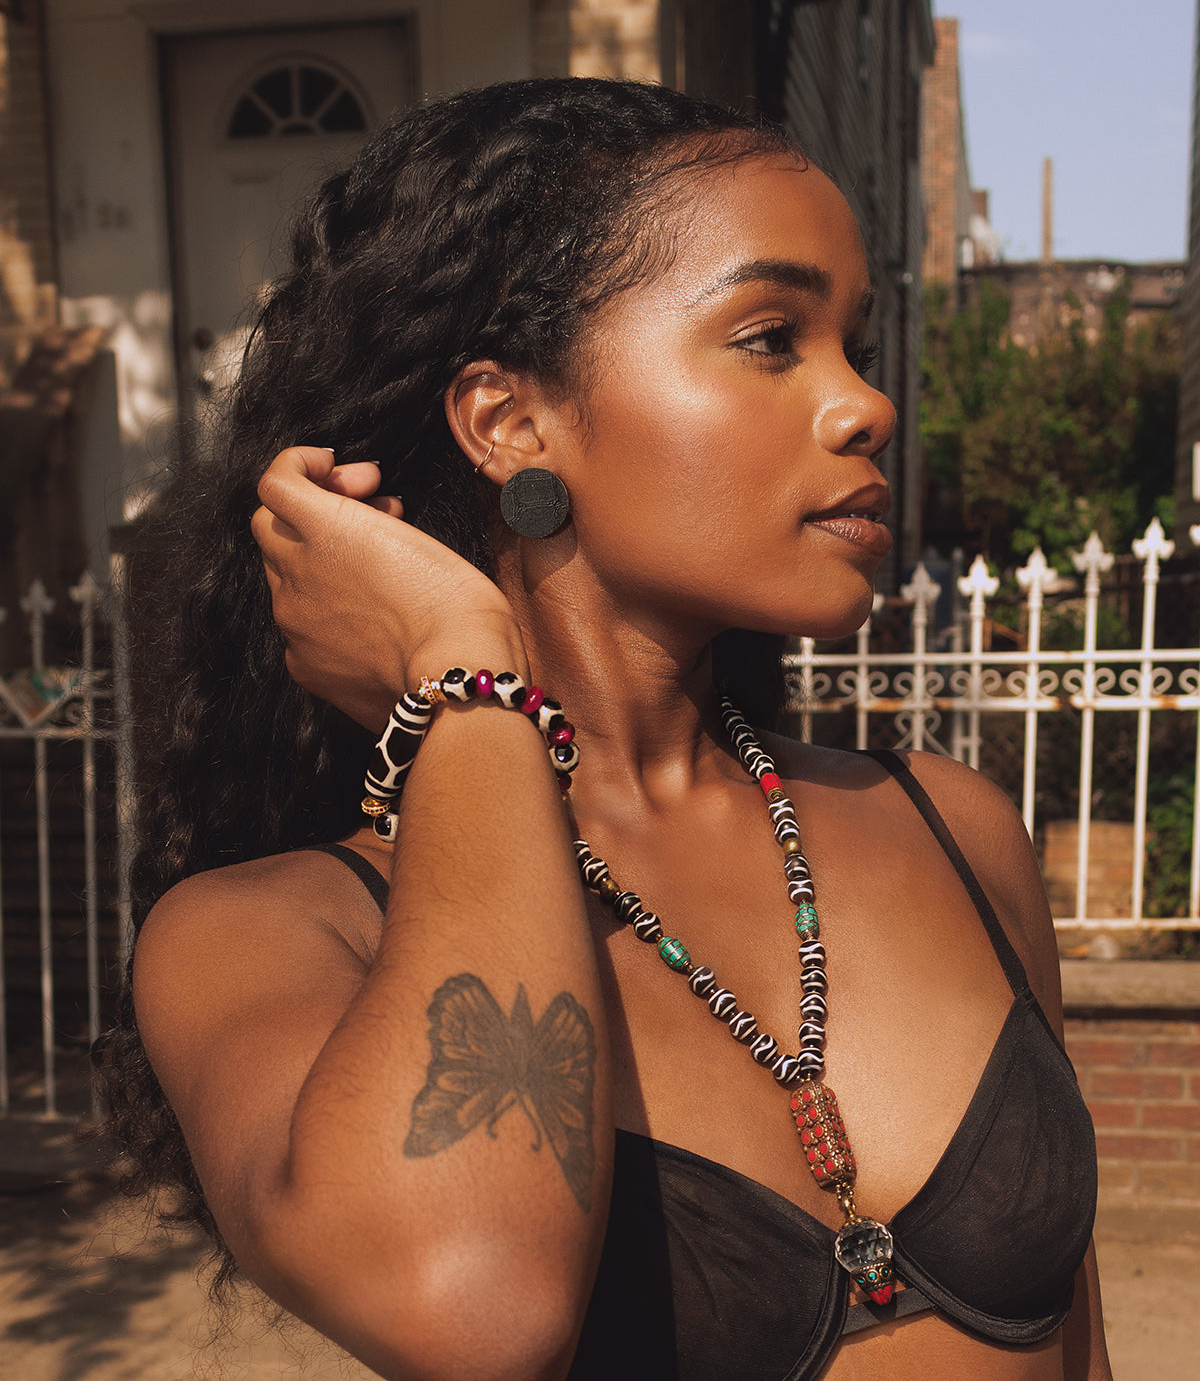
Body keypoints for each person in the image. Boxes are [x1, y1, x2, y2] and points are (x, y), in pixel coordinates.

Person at [101, 79, 1109, 1381]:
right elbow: (472, 1308)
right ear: (509, 421)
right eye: (769, 336)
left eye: (855, 342)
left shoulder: (952, 829)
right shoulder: (270, 933)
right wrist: (459, 667)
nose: (867, 405)